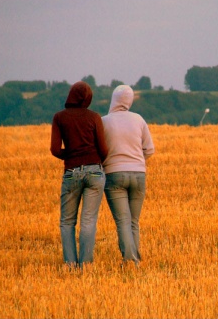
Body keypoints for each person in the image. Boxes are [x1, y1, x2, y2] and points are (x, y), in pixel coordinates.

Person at [50, 81, 108, 269]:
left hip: (71, 172)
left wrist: (72, 155)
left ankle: (70, 264)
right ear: (87, 98)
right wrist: (93, 159)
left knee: (67, 221)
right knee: (88, 220)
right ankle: (86, 265)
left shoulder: (59, 117)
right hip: (94, 171)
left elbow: (54, 149)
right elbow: (104, 148)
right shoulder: (94, 117)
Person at [101, 84, 155, 268]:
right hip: (139, 174)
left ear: (113, 100)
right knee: (133, 221)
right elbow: (149, 149)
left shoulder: (104, 121)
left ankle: (130, 260)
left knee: (122, 221)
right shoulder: (139, 119)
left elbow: (100, 150)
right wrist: (138, 161)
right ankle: (135, 260)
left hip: (114, 174)